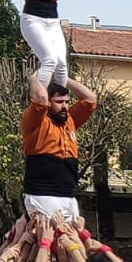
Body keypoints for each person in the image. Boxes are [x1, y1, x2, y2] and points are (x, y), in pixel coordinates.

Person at [21, 74, 97, 219]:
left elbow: (90, 99)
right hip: (43, 194)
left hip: (67, 194)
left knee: (73, 239)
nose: (64, 106)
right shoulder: (37, 121)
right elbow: (40, 100)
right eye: (59, 102)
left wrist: (62, 78)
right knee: (50, 238)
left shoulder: (70, 120)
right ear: (49, 103)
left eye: (67, 102)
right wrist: (33, 79)